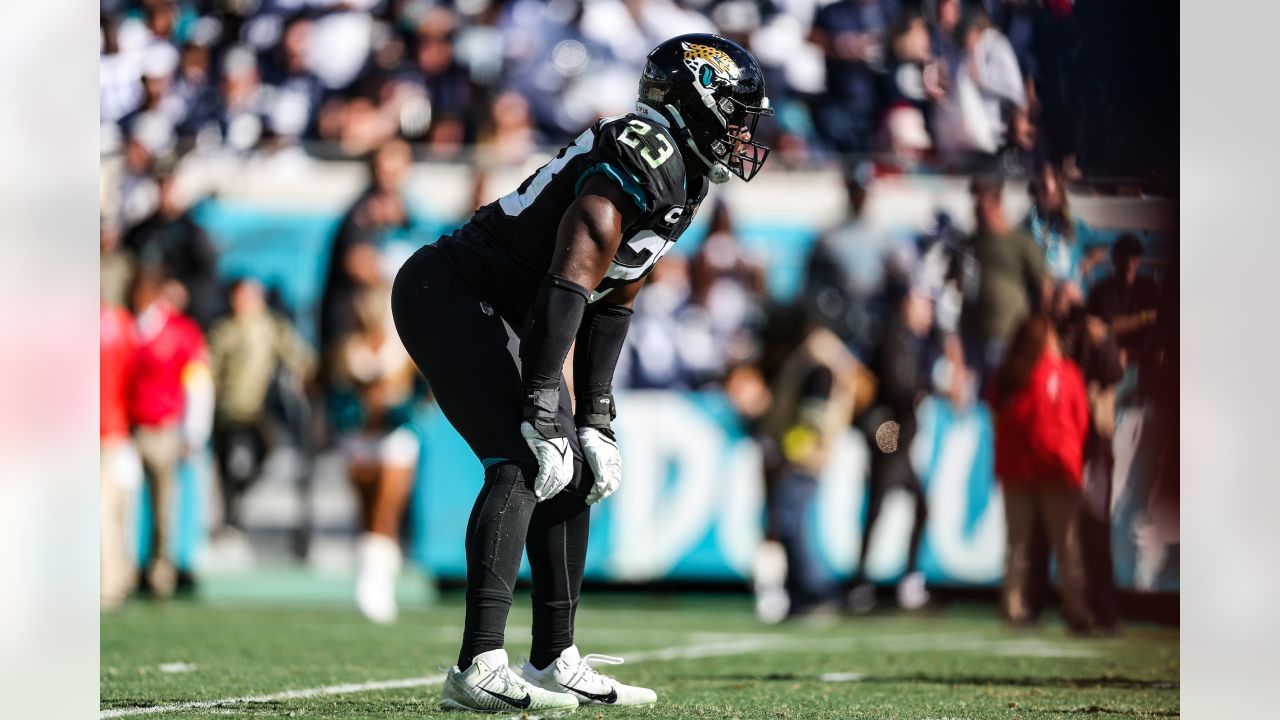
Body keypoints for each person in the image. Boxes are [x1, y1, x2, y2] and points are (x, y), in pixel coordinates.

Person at [390, 34, 774, 712]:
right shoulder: (646, 149)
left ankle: (552, 659)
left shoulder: (681, 172)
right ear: (697, 99)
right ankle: (477, 663)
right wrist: (543, 396)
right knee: (521, 457)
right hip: (449, 293)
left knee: (574, 468)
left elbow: (615, 294)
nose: (746, 132)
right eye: (738, 114)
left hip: (514, 311)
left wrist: (595, 414)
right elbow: (575, 267)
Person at [756, 306, 860, 622]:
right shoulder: (831, 358)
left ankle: (816, 590)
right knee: (795, 524)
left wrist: (792, 451)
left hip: (802, 455)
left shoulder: (818, 361)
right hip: (809, 454)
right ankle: (805, 593)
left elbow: (814, 417)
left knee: (791, 523)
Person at [989, 314, 1091, 632]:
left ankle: (1075, 608)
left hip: (1054, 470)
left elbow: (1079, 419)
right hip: (1026, 469)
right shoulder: (1015, 374)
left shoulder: (1064, 373)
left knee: (1063, 545)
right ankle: (1016, 605)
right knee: (1024, 544)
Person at [328, 287, 425, 624]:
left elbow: (422, 389)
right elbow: (334, 389)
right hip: (358, 437)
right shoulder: (347, 347)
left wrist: (400, 406)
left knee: (386, 513)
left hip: (394, 437)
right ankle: (369, 580)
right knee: (366, 513)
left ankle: (378, 586)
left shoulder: (401, 348)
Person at [847, 282, 933, 613]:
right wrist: (921, 389)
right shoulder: (892, 338)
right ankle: (864, 583)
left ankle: (882, 581)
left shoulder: (909, 340)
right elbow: (896, 388)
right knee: (880, 506)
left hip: (897, 433)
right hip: (889, 432)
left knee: (897, 506)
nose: (927, 314)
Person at [207, 278, 316, 533]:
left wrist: (305, 372)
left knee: (263, 452)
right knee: (226, 466)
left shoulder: (271, 327)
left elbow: (298, 354)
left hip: (256, 408)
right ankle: (228, 514)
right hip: (226, 409)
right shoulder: (223, 330)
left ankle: (237, 504)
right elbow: (209, 367)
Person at [127, 267, 210, 599]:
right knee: (129, 507)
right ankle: (131, 569)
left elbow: (198, 386)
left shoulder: (181, 332)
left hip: (164, 428)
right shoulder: (130, 328)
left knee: (164, 506)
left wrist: (194, 431)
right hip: (132, 429)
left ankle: (162, 571)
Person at [952, 174, 1047, 388]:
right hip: (974, 339)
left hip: (1010, 337)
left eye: (980, 199)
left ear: (996, 201)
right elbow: (957, 287)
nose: (975, 207)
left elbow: (1045, 286)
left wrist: (1038, 327)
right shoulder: (969, 245)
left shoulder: (1020, 241)